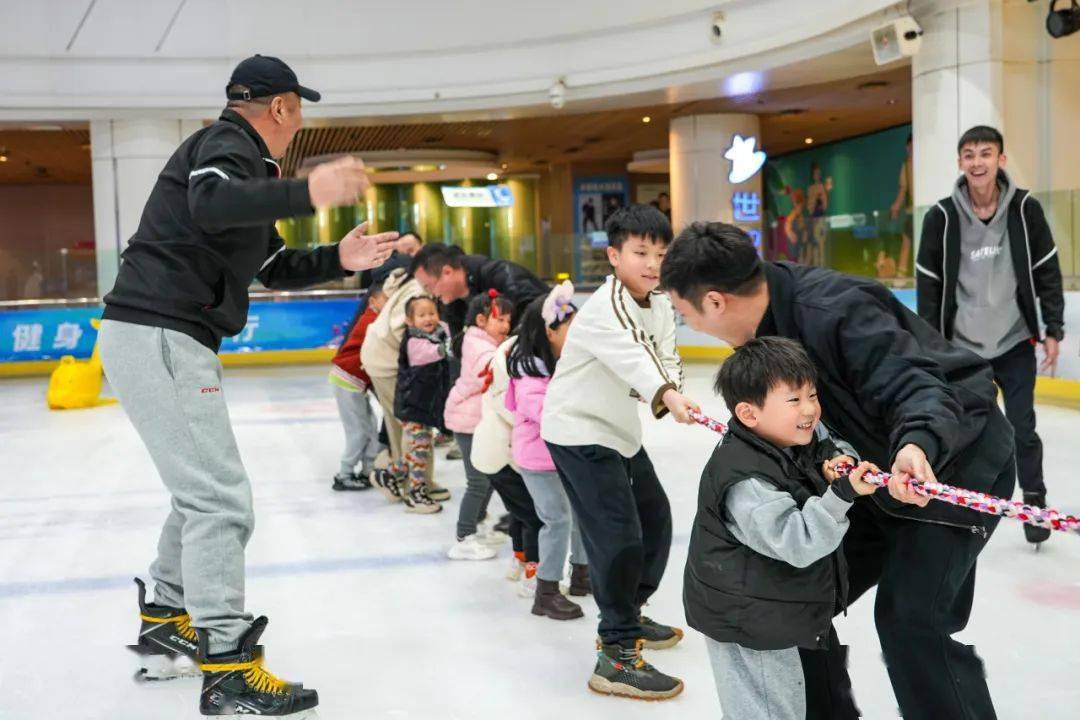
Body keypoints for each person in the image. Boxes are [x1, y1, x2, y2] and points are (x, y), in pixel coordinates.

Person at [98, 54, 395, 717]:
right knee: (222, 500)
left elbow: (271, 263)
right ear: (283, 107)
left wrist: (338, 259)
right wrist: (309, 192)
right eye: (299, 111)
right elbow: (209, 204)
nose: (298, 125)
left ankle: (168, 619)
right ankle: (227, 667)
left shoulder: (246, 169)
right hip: (159, 333)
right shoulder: (225, 145)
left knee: (199, 492)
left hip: (163, 335)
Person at [661, 221, 1017, 719]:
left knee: (911, 621)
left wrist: (917, 445)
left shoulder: (835, 310)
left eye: (683, 313)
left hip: (950, 462)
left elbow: (919, 387)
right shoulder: (766, 335)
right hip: (874, 475)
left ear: (715, 302)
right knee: (792, 596)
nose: (690, 326)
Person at [542, 204, 696, 701]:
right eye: (640, 253)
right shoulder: (605, 309)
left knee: (655, 521)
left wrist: (676, 386)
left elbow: (666, 355)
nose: (653, 263)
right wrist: (668, 394)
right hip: (579, 432)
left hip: (619, 432)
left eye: (660, 253)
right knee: (619, 537)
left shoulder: (661, 303)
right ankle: (616, 654)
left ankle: (628, 610)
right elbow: (637, 358)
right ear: (613, 255)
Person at [686, 336, 884, 719]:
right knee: (768, 710)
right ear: (749, 414)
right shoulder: (746, 482)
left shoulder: (791, 435)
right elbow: (799, 541)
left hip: (779, 606)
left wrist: (838, 459)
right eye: (794, 400)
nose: (810, 409)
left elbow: (829, 440)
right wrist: (841, 492)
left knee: (803, 701)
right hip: (749, 621)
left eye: (812, 395)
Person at [916, 125, 1065, 546]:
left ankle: (1034, 502)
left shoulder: (1024, 209)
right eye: (969, 154)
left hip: (1015, 340)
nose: (977, 162)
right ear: (960, 162)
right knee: (966, 431)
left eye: (986, 153)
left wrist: (1053, 327)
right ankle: (962, 506)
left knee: (1022, 427)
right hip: (963, 349)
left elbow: (1047, 271)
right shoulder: (941, 217)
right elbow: (928, 285)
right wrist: (931, 346)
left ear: (1000, 159)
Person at [506, 282, 590, 620]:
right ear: (549, 332)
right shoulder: (530, 372)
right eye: (573, 329)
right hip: (539, 460)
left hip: (565, 455)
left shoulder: (562, 362)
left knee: (581, 514)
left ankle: (583, 574)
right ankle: (547, 590)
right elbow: (545, 414)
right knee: (557, 520)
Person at [361, 267, 447, 503]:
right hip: (387, 363)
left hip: (387, 361)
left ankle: (420, 481)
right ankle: (411, 484)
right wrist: (432, 349)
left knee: (412, 426)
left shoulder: (413, 286)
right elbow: (407, 332)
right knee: (409, 427)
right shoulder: (417, 293)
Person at [471, 332, 546, 589]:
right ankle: (533, 575)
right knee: (535, 516)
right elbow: (517, 413)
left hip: (496, 453)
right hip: (501, 455)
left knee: (519, 512)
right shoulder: (511, 368)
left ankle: (520, 560)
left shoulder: (507, 355)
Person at [443, 290, 514, 559]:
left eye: (509, 320)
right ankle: (464, 536)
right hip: (468, 420)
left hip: (477, 420)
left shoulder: (488, 342)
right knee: (478, 481)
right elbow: (488, 370)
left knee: (490, 475)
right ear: (482, 320)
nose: (506, 326)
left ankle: (480, 522)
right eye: (501, 320)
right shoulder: (478, 344)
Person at [410, 243, 549, 337]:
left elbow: (537, 312)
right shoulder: (451, 303)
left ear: (447, 272)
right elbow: (460, 349)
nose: (431, 294)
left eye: (428, 286)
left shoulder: (499, 275)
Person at [393, 296, 452, 514]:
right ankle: (415, 494)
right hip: (412, 406)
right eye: (422, 315)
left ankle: (390, 473)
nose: (429, 318)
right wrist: (453, 343)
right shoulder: (414, 343)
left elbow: (446, 330)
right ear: (410, 321)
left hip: (424, 407)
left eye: (432, 313)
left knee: (422, 448)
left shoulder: (437, 330)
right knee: (420, 451)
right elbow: (435, 352)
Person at [328, 280, 387, 491]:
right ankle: (344, 473)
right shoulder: (373, 321)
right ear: (373, 302)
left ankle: (368, 469)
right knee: (359, 431)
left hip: (354, 383)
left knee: (370, 426)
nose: (390, 305)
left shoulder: (376, 319)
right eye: (386, 300)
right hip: (346, 381)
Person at [889, 134, 914, 277]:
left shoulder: (922, 163)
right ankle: (901, 276)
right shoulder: (906, 165)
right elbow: (903, 188)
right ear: (907, 147)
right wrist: (896, 206)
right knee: (906, 241)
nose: (912, 150)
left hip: (922, 211)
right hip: (911, 212)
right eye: (910, 147)